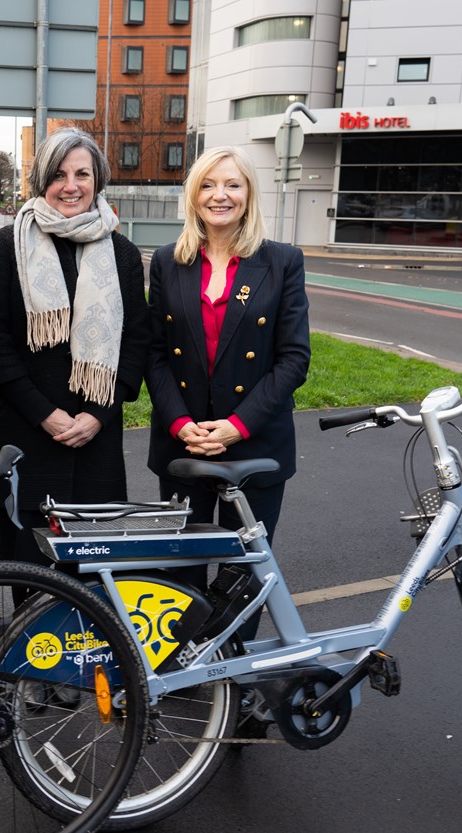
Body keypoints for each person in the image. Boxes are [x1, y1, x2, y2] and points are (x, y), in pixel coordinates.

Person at [0, 128, 149, 572]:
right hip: (24, 441)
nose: (71, 186)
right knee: (29, 582)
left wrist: (98, 416)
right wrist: (46, 415)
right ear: (41, 180)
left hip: (95, 446)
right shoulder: (7, 244)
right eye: (58, 174)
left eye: (82, 174)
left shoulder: (123, 254)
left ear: (98, 179)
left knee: (94, 587)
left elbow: (137, 343)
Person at [146, 145, 311, 591]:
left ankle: (233, 659)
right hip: (185, 444)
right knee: (182, 570)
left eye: (232, 184)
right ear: (194, 195)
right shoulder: (168, 261)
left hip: (255, 441)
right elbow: (156, 354)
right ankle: (188, 660)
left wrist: (238, 425)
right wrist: (180, 424)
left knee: (245, 572)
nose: (220, 195)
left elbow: (294, 358)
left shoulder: (281, 262)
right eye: (208, 184)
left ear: (248, 195)